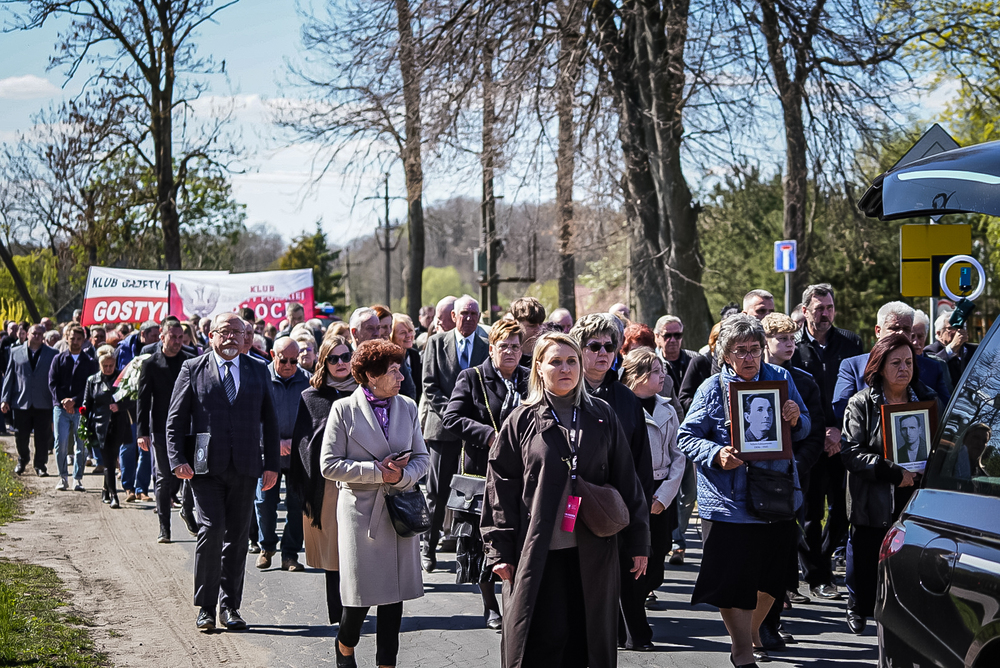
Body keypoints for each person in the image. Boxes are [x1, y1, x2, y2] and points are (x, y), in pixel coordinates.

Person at [483, 331, 649, 667]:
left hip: (594, 548)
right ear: (539, 368)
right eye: (555, 361)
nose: (565, 368)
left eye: (571, 361)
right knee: (543, 639)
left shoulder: (601, 415)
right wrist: (498, 551)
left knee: (586, 639)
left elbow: (627, 481)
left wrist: (638, 542)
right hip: (538, 549)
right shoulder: (521, 420)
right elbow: (500, 489)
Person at [677, 314, 810, 667]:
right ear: (725, 355)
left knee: (774, 579)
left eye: (755, 349)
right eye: (741, 351)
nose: (749, 357)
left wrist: (797, 416)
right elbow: (686, 437)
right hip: (727, 503)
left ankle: (752, 630)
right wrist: (716, 453)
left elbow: (806, 426)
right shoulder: (711, 389)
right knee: (734, 582)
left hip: (776, 497)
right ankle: (741, 649)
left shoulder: (781, 378)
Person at [165, 312, 281, 631]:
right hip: (205, 467)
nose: (231, 337)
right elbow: (175, 420)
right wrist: (178, 459)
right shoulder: (193, 369)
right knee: (212, 529)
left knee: (238, 537)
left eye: (238, 332)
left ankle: (230, 606)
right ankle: (205, 606)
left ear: (247, 337)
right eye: (225, 331)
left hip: (245, 466)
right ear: (212, 336)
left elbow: (269, 422)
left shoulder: (258, 369)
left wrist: (271, 465)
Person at [320, 338, 430, 668]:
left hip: (399, 511)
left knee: (394, 598)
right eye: (393, 371)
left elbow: (423, 459)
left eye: (400, 370)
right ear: (371, 375)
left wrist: (400, 477)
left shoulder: (408, 407)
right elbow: (329, 464)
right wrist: (375, 472)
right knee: (359, 597)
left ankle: (387, 664)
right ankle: (345, 644)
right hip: (360, 514)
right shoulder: (343, 409)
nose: (401, 377)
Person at [840, 333, 939, 635]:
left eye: (909, 362)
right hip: (873, 496)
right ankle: (858, 607)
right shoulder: (861, 403)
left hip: (916, 495)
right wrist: (894, 473)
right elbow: (850, 452)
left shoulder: (928, 399)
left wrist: (929, 469)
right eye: (895, 362)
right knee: (866, 559)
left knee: (910, 558)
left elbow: (945, 444)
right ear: (880, 366)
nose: (903, 369)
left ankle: (906, 613)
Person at [569, 313, 655, 651]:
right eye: (594, 346)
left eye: (609, 346)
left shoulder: (626, 398)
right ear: (579, 349)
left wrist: (640, 529)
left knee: (625, 574)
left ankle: (630, 632)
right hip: (572, 506)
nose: (603, 352)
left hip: (615, 506)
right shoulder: (564, 395)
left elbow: (640, 469)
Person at [442, 318, 528, 630]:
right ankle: (490, 604)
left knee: (518, 539)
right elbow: (451, 418)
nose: (510, 351)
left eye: (515, 346)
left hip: (523, 475)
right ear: (491, 348)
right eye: (503, 345)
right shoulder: (473, 377)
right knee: (486, 542)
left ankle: (519, 601)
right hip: (483, 474)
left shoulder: (529, 379)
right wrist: (489, 436)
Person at [790, 283, 862, 602]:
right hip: (808, 439)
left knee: (842, 510)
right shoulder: (794, 345)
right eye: (819, 308)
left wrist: (838, 431)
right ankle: (817, 575)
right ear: (805, 310)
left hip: (843, 438)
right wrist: (819, 433)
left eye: (830, 307)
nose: (826, 314)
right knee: (809, 510)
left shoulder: (850, 342)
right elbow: (800, 395)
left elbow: (857, 391)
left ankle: (824, 555)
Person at [760, 312, 825, 648]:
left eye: (792, 339)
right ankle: (750, 626)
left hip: (789, 477)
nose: (789, 345)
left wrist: (794, 463)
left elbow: (811, 432)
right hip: (752, 477)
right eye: (781, 339)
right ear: (764, 341)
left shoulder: (801, 380)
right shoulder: (741, 379)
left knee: (783, 549)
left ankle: (771, 621)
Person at [288, 336, 357, 628]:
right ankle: (337, 615)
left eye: (345, 357)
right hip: (326, 484)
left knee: (357, 548)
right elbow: (304, 444)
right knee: (333, 551)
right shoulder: (311, 397)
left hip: (361, 479)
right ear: (323, 362)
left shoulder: (365, 393)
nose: (340, 363)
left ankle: (357, 609)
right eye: (334, 359)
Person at [420, 295, 489, 572]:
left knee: (474, 494)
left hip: (475, 432)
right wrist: (454, 414)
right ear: (453, 316)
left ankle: (472, 552)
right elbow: (429, 384)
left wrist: (470, 420)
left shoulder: (486, 346)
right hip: (443, 429)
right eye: (464, 313)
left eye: (474, 313)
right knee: (437, 493)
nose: (469, 318)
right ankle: (428, 546)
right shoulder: (437, 343)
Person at [620, 347, 684, 614]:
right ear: (637, 375)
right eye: (656, 371)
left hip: (661, 490)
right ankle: (631, 607)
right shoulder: (622, 407)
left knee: (659, 551)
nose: (662, 376)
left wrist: (666, 495)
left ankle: (646, 590)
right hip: (633, 489)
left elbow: (679, 455)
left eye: (662, 370)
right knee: (634, 552)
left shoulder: (667, 408)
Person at [136, 318, 197, 543]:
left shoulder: (190, 361)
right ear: (162, 337)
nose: (178, 342)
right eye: (173, 337)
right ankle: (164, 528)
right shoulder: (151, 364)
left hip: (188, 427)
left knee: (192, 474)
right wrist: (142, 432)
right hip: (161, 428)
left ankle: (187, 511)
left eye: (181, 337)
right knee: (163, 477)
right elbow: (143, 400)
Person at [253, 337, 310, 572]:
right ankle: (266, 547)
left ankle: (290, 554)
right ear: (271, 354)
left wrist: (294, 442)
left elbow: (314, 420)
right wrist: (272, 442)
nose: (288, 365)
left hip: (297, 454)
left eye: (294, 361)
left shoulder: (306, 380)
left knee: (297, 505)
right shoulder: (260, 378)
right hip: (268, 453)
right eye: (283, 359)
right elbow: (250, 417)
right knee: (265, 502)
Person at [48, 324, 99, 492]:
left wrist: (75, 401)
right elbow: (52, 383)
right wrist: (64, 400)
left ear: (83, 341)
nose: (75, 342)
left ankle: (78, 478)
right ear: (67, 338)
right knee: (60, 442)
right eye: (72, 338)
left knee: (81, 445)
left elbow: (89, 386)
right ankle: (63, 477)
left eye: (79, 339)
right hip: (60, 408)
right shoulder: (58, 359)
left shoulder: (90, 362)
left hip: (81, 408)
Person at [2, 324, 56, 476]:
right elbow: (9, 377)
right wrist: (5, 399)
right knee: (21, 435)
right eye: (34, 333)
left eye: (40, 334)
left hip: (43, 401)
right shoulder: (15, 352)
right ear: (27, 334)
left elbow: (54, 379)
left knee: (42, 436)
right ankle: (23, 458)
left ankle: (40, 465)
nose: (37, 336)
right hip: (21, 401)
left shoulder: (52, 354)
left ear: (43, 336)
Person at [83, 345, 133, 508]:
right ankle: (113, 495)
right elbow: (87, 403)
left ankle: (105, 488)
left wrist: (120, 406)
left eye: (111, 365)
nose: (108, 368)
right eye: (105, 366)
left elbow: (133, 400)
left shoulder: (122, 379)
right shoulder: (92, 380)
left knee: (112, 458)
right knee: (109, 460)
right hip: (100, 426)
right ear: (100, 364)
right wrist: (82, 413)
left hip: (118, 424)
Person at [926, 311, 978, 386]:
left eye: (961, 327)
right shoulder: (931, 350)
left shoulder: (974, 350)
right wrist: (952, 348)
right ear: (939, 333)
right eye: (951, 328)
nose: (958, 332)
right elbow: (932, 366)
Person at [653, 315, 698, 401]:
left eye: (677, 335)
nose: (673, 340)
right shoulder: (654, 365)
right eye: (667, 336)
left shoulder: (695, 360)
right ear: (657, 336)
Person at [390, 313, 422, 404]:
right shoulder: (389, 359)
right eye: (403, 333)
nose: (408, 335)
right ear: (392, 336)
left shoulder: (414, 355)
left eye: (410, 331)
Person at [508, 297, 545, 367]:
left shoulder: (545, 352)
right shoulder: (508, 352)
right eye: (532, 326)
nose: (538, 330)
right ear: (516, 322)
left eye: (540, 324)